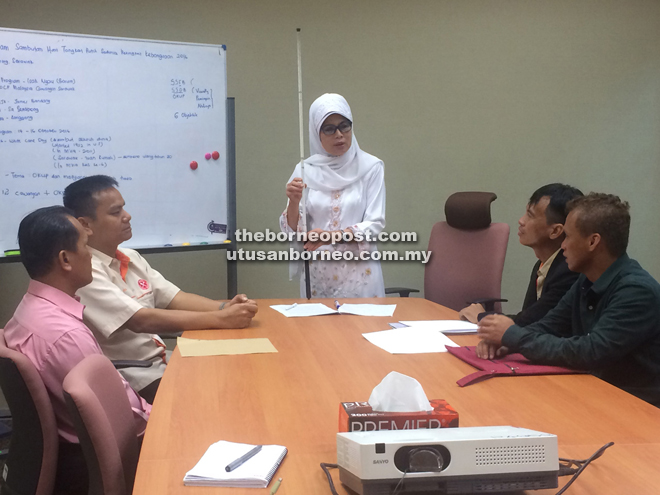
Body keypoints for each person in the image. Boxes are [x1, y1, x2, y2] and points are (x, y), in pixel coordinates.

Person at [63, 175, 258, 402]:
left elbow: (175, 298)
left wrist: (224, 306)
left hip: (162, 360)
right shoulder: (87, 271)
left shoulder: (130, 256)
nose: (127, 216)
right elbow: (141, 320)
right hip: (134, 376)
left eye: (124, 209)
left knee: (239, 371)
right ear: (85, 224)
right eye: (116, 213)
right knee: (225, 390)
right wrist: (222, 319)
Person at [3, 206, 151, 494]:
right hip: (103, 459)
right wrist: (168, 417)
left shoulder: (29, 310)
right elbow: (125, 420)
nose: (91, 254)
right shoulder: (64, 335)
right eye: (86, 245)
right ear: (65, 259)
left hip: (76, 453)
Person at [477, 193, 660, 407]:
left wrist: (514, 336)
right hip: (595, 394)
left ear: (593, 241)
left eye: (568, 237)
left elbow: (590, 352)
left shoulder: (636, 291)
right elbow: (550, 325)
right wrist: (508, 343)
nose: (562, 245)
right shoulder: (587, 278)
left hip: (637, 408)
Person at [280, 93, 386, 298]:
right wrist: (293, 203)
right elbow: (295, 231)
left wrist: (330, 236)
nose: (339, 134)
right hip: (318, 278)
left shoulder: (371, 167)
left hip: (359, 277)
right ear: (316, 133)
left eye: (344, 125)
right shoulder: (305, 170)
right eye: (329, 129)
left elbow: (375, 224)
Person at [460, 183, 583, 325]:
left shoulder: (569, 271)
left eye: (530, 216)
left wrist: (482, 317)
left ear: (555, 231)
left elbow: (531, 322)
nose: (521, 220)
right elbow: (528, 317)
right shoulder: (543, 263)